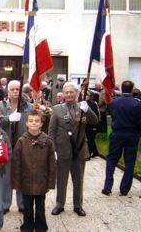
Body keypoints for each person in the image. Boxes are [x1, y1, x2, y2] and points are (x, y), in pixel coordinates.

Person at [48, 82, 98, 216]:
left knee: (78, 179)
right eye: (67, 92)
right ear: (63, 94)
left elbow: (95, 121)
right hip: (62, 150)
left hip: (79, 150)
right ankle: (59, 204)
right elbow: (51, 132)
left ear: (76, 94)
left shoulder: (82, 108)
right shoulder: (57, 109)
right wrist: (53, 150)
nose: (69, 94)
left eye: (71, 92)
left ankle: (78, 205)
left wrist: (87, 109)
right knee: (61, 179)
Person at [12, 110, 56, 232]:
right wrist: (16, 183)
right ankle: (28, 226)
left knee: (40, 206)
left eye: (37, 121)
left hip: (42, 180)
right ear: (26, 123)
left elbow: (52, 164)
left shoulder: (47, 141)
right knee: (27, 206)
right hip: (26, 181)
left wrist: (50, 182)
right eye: (31, 121)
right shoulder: (21, 141)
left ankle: (41, 226)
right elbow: (16, 163)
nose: (34, 123)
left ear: (42, 123)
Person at [102, 80, 141, 196]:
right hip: (132, 135)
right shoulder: (137, 104)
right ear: (132, 90)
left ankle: (107, 186)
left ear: (122, 89)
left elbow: (112, 115)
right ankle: (124, 188)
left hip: (117, 134)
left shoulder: (114, 102)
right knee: (129, 162)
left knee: (111, 160)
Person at [0, 80, 34, 214]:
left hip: (23, 146)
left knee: (22, 175)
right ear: (7, 91)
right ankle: (5, 204)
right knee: (5, 177)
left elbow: (33, 123)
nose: (14, 92)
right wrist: (8, 118)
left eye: (17, 89)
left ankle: (22, 204)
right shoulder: (1, 105)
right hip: (5, 146)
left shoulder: (28, 107)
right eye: (12, 89)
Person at [85, 92, 100, 158]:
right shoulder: (82, 104)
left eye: (86, 95)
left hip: (91, 125)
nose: (85, 96)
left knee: (90, 139)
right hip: (85, 125)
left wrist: (95, 126)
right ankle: (95, 152)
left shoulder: (93, 104)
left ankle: (88, 154)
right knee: (89, 139)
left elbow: (96, 115)